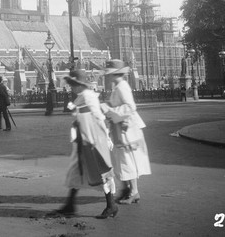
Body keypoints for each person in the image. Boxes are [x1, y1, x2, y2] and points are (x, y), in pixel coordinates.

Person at [50, 69, 118, 219]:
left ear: (80, 84)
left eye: (73, 84)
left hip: (93, 141)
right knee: (76, 172)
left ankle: (111, 205)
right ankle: (70, 205)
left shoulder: (88, 96)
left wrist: (106, 138)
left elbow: (99, 117)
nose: (71, 87)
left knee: (100, 171)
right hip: (84, 139)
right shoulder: (82, 96)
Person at [100, 59, 151, 205]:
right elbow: (117, 105)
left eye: (110, 74)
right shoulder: (118, 86)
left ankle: (134, 192)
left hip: (127, 130)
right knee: (122, 160)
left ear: (116, 74)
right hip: (120, 128)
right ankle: (128, 189)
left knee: (127, 160)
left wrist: (109, 109)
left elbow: (130, 107)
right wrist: (108, 106)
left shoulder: (122, 87)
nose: (108, 77)